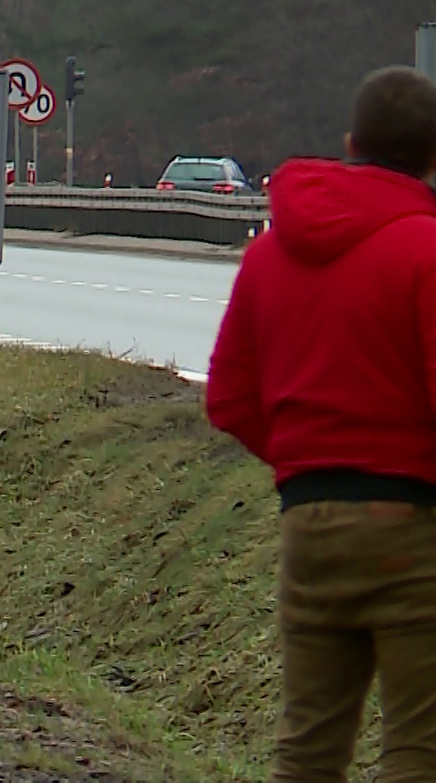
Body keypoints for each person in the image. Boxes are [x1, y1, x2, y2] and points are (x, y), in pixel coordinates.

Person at [206, 65, 436, 781]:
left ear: (350, 141)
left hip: (307, 520)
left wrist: (306, 459)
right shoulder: (425, 251)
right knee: (418, 744)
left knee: (308, 746)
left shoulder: (269, 253)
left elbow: (230, 397)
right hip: (412, 524)